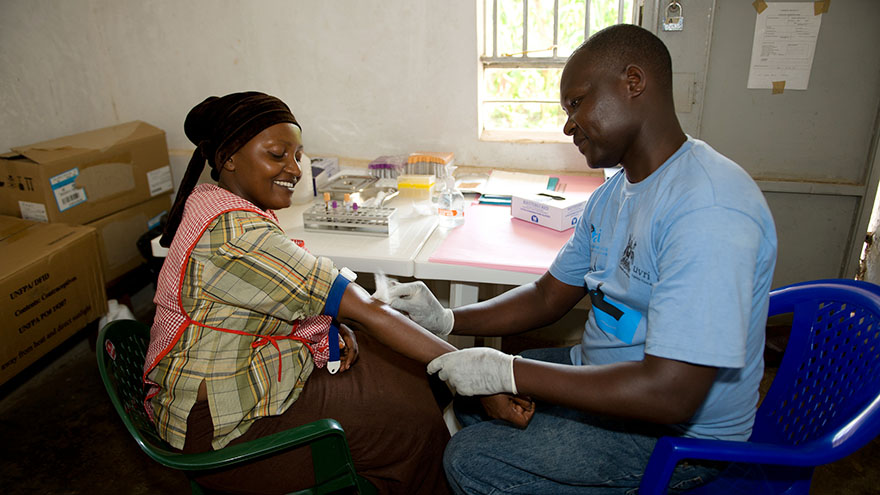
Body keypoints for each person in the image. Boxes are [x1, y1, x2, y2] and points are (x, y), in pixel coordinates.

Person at [387, 24, 778, 494]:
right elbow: (549, 295)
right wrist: (448, 319)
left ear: (633, 83)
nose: (568, 125)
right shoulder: (617, 191)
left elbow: (671, 395)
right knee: (471, 394)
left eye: (576, 103)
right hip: (601, 372)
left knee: (473, 460)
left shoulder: (708, 210)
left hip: (677, 433)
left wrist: (510, 369)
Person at [143, 91, 459, 494]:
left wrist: (325, 323)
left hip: (236, 387)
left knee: (405, 369)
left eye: (298, 155)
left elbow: (281, 297)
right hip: (220, 427)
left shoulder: (214, 203)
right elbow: (363, 309)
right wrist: (482, 374)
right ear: (229, 159)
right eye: (278, 155)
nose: (294, 169)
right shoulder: (235, 235)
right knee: (413, 426)